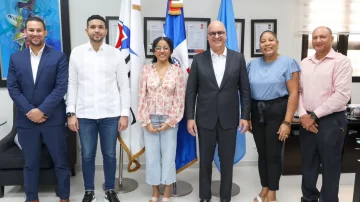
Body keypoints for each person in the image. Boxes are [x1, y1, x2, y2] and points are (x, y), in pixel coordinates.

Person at [66, 15, 130, 202]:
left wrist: (124, 114)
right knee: (87, 155)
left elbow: (124, 86)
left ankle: (109, 190)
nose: (97, 30)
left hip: (110, 114)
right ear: (87, 30)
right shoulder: (76, 53)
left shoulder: (115, 54)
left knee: (110, 154)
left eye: (100, 27)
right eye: (93, 27)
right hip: (85, 114)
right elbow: (72, 85)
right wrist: (71, 113)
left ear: (106, 31)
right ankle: (89, 191)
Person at [185, 20, 251, 202]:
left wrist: (245, 116)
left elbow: (245, 90)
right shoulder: (199, 60)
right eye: (212, 33)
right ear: (207, 37)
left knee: (226, 162)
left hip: (229, 120)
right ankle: (204, 197)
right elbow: (191, 91)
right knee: (205, 162)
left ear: (226, 35)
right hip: (205, 120)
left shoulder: (238, 58)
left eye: (220, 33)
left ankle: (225, 197)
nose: (216, 36)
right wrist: (190, 117)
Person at [7, 16, 70, 202]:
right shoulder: (15, 58)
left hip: (54, 119)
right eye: (31, 30)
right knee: (30, 163)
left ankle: (64, 198)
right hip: (27, 121)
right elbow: (13, 88)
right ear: (25, 32)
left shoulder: (58, 57)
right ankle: (32, 198)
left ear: (45, 32)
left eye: (39, 30)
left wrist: (42, 110)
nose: (35, 34)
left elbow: (61, 87)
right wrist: (30, 111)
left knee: (61, 162)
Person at [298, 26, 352, 202]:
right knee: (308, 165)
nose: (318, 40)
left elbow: (343, 95)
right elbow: (298, 91)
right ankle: (308, 198)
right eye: (315, 37)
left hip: (331, 122)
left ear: (331, 39)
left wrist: (314, 115)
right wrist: (303, 115)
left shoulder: (341, 61)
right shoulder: (305, 62)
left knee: (330, 166)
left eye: (322, 37)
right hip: (306, 121)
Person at [247, 30, 300, 202]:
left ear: (277, 43)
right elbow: (247, 93)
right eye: (263, 41)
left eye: (271, 40)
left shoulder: (288, 63)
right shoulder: (252, 65)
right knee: (262, 153)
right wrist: (247, 117)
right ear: (259, 45)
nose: (267, 43)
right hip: (257, 112)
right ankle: (264, 188)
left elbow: (294, 93)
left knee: (273, 154)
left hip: (278, 111)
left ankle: (272, 193)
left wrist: (287, 122)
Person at [138, 36, 185, 202]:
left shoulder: (177, 71)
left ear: (171, 50)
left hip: (169, 121)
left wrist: (169, 122)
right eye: (158, 47)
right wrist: (146, 121)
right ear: (154, 51)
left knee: (168, 156)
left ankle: (166, 192)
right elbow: (141, 97)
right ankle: (155, 191)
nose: (162, 51)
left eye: (165, 48)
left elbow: (180, 99)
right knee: (151, 158)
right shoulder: (146, 70)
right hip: (150, 119)